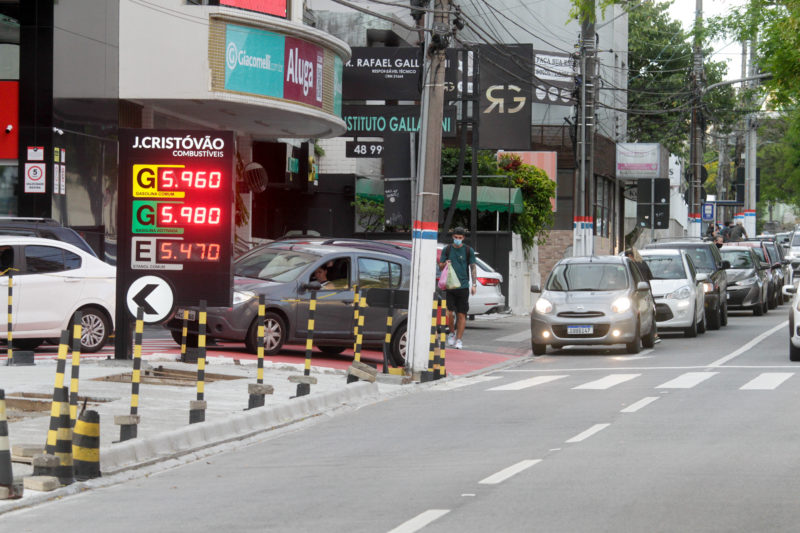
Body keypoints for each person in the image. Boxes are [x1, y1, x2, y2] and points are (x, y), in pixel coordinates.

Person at [438, 227, 477, 350]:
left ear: (463, 238)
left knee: (461, 315)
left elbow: (473, 267)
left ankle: (459, 340)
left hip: (463, 286)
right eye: (456, 237)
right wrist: (445, 264)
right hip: (450, 286)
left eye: (460, 238)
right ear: (452, 237)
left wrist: (474, 285)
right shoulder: (447, 249)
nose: (458, 240)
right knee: (449, 313)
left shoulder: (468, 251)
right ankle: (451, 333)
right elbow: (440, 266)